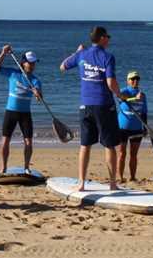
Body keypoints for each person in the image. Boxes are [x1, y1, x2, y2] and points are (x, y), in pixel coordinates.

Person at [60, 26, 129, 191]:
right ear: (102, 38)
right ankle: (112, 183)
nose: (110, 39)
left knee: (85, 145)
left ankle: (82, 183)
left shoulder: (81, 55)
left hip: (85, 106)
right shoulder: (108, 57)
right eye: (108, 37)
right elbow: (111, 82)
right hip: (104, 106)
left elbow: (62, 66)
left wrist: (76, 53)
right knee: (109, 145)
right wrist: (120, 95)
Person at [0, 45, 42, 172]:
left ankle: (26, 168)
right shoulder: (13, 73)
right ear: (23, 63)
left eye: (34, 63)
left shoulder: (35, 80)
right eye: (30, 63)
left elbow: (39, 97)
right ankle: (3, 168)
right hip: (11, 112)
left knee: (29, 143)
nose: (32, 65)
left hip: (25, 114)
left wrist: (37, 93)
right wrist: (3, 53)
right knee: (5, 142)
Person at [117, 70, 147, 182]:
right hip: (122, 128)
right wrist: (135, 99)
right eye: (132, 79)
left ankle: (133, 177)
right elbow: (121, 99)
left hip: (137, 128)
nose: (135, 81)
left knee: (134, 154)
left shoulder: (142, 95)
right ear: (128, 80)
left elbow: (144, 113)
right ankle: (120, 177)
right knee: (122, 153)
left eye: (137, 79)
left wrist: (145, 127)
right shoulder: (123, 91)